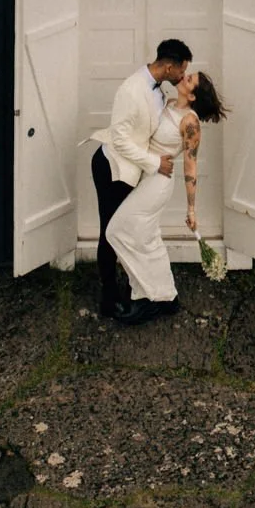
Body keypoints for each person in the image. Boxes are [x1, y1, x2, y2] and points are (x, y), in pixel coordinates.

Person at [106, 67, 227, 327]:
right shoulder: (169, 102)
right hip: (146, 173)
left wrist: (191, 210)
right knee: (147, 237)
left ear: (193, 95)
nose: (184, 77)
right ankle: (162, 295)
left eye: (190, 79)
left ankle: (148, 299)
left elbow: (191, 166)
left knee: (115, 231)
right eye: (188, 74)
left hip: (159, 182)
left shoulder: (190, 122)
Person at [90, 40, 191, 317]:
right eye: (182, 71)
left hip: (133, 170)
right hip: (113, 167)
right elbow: (120, 140)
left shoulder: (159, 91)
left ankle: (138, 286)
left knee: (126, 229)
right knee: (109, 231)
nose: (183, 76)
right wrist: (155, 163)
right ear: (169, 66)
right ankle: (108, 300)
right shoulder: (131, 89)